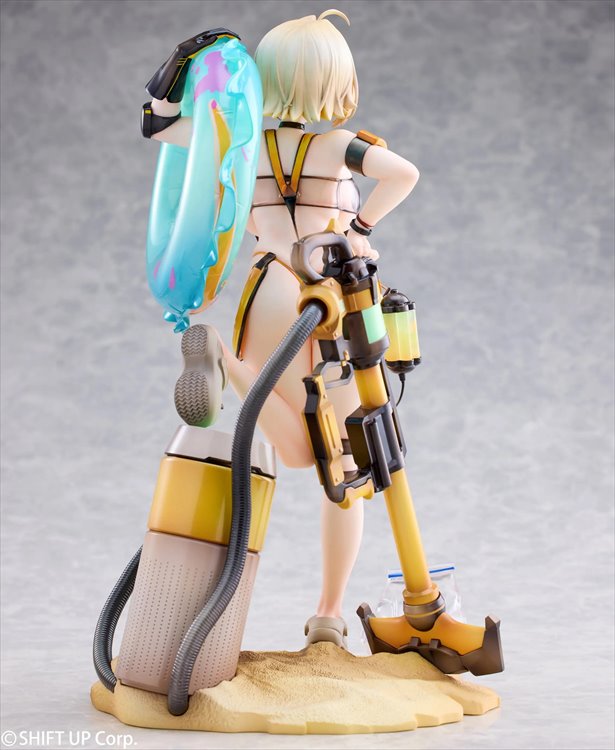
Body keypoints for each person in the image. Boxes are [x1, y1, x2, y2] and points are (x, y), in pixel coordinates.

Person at [147, 10, 420, 647]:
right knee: (342, 463)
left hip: (267, 290)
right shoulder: (340, 146)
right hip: (336, 292)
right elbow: (404, 174)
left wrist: (182, 62)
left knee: (297, 447)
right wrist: (359, 229)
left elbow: (156, 124)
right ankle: (328, 614)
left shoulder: (236, 144)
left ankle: (222, 356)